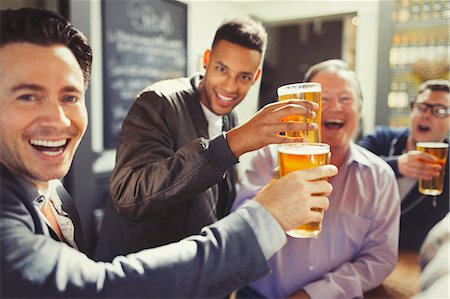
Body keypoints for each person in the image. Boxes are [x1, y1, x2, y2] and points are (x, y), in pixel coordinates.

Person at [0, 7, 338, 298]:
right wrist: (263, 212)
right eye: (28, 96)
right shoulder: (160, 102)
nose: (57, 120)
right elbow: (127, 200)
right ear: (207, 61)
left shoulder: (53, 191)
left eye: (70, 97)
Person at [95, 17, 319, 260]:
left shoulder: (228, 117)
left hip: (192, 274)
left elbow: (215, 204)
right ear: (206, 60)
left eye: (244, 77)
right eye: (222, 69)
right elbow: (130, 196)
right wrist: (233, 143)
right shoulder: (159, 102)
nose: (230, 87)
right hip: (138, 278)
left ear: (256, 76)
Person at [232, 59, 400, 299]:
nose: (334, 107)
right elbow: (239, 230)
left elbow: (380, 258)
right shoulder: (269, 158)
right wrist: (272, 199)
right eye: (323, 99)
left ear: (360, 109)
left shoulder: (380, 177)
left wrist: (315, 294)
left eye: (345, 98)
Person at [357, 79, 449, 252]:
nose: (426, 115)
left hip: (407, 254)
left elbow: (434, 231)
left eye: (440, 110)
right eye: (421, 107)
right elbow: (351, 168)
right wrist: (396, 166)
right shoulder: (381, 138)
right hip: (357, 245)